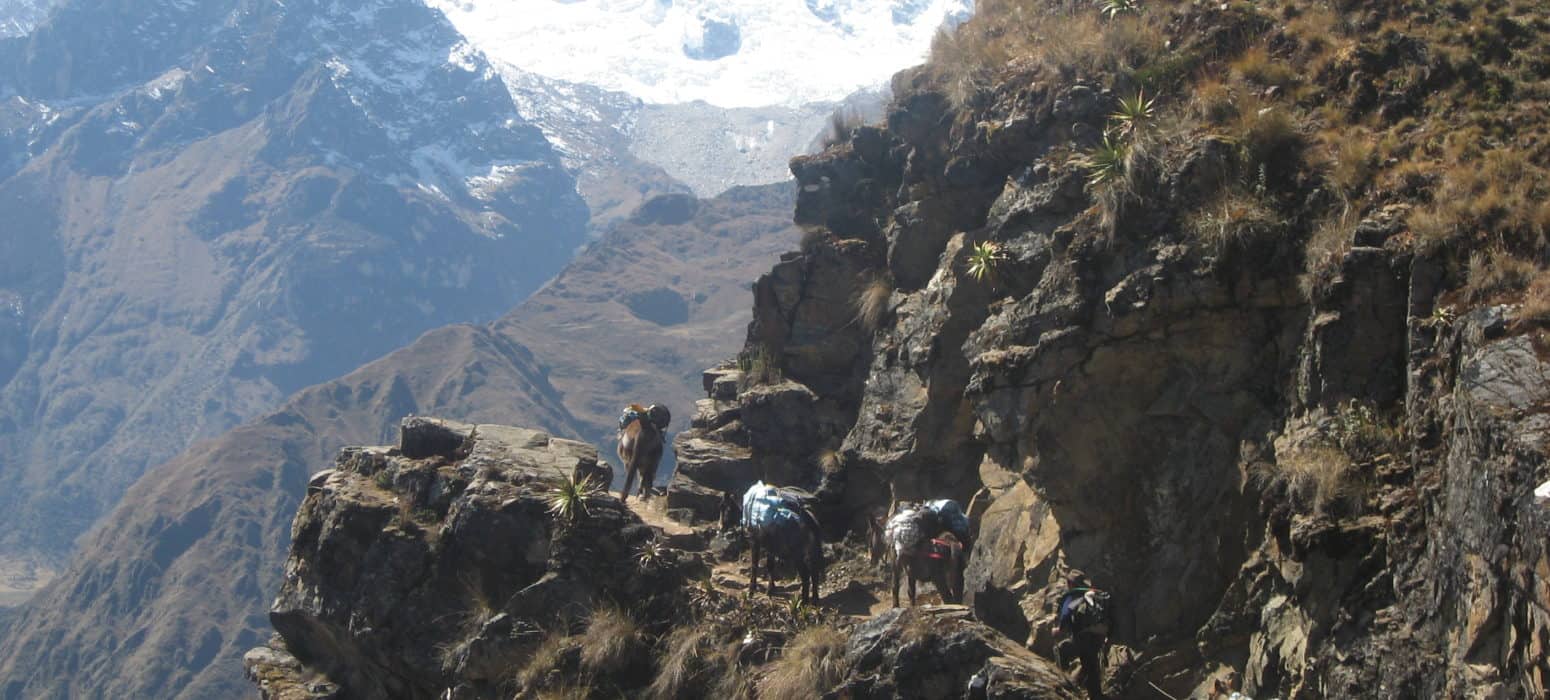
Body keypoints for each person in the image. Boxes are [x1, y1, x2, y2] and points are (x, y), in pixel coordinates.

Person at [1054, 573, 1110, 699]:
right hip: (1098, 638)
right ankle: (1096, 695)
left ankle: (1065, 682)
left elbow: (1065, 615)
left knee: (1061, 650)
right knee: (1091, 667)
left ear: (1070, 584)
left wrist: (1058, 629)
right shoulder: (1092, 594)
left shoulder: (1073, 596)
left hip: (1082, 637)